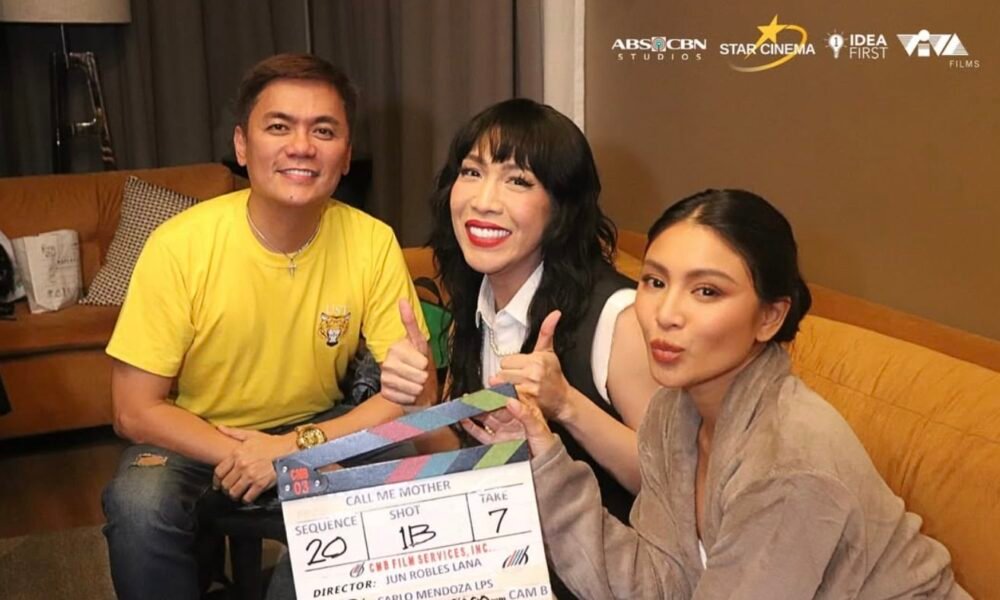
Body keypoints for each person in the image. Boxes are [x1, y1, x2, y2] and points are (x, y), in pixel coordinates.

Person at [505, 189, 969, 598]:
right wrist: (545, 457)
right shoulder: (673, 412)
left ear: (770, 317)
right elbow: (656, 583)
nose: (666, 313)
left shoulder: (789, 463)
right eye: (655, 282)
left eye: (707, 291)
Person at [101, 53, 436, 600]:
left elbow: (409, 400)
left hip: (319, 427)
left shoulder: (372, 242)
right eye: (279, 127)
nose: (301, 146)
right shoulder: (179, 246)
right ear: (241, 145)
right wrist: (247, 453)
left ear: (345, 154)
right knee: (138, 506)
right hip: (198, 432)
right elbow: (133, 409)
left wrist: (291, 447)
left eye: (323, 130)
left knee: (404, 472)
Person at [379, 98, 659, 597]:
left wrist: (566, 405)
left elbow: (667, 485)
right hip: (507, 562)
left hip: (602, 575)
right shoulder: (476, 301)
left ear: (562, 208)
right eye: (472, 172)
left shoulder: (618, 318)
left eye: (518, 181)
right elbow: (473, 472)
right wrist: (420, 408)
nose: (484, 200)